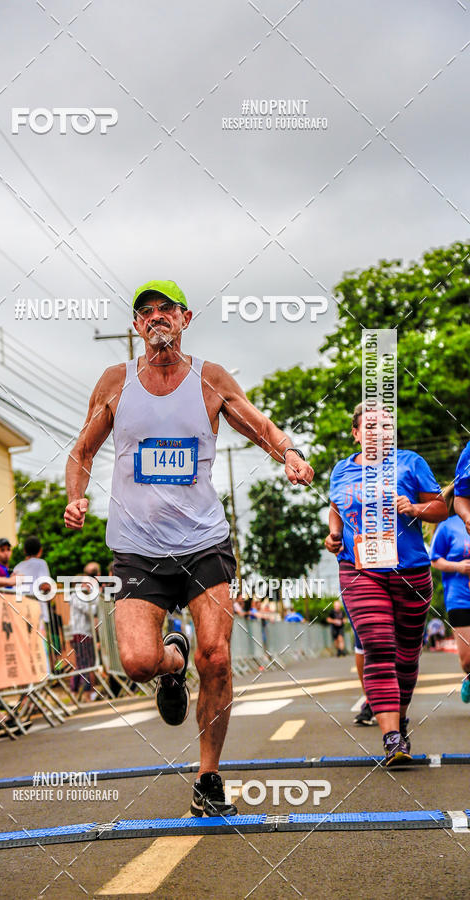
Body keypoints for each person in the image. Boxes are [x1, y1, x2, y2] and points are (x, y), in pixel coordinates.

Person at [64, 279, 314, 815]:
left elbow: (259, 424)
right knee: (136, 662)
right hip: (136, 547)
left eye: (165, 310)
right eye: (146, 312)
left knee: (218, 658)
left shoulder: (210, 378)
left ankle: (208, 777)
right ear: (136, 327)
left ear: (185, 318)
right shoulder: (115, 382)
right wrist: (76, 498)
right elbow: (81, 451)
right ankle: (171, 660)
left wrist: (288, 453)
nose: (156, 318)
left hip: (204, 543)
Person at [325, 402, 447, 766]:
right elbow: (336, 507)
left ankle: (401, 717)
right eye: (371, 427)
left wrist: (414, 508)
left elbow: (442, 507)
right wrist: (333, 535)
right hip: (359, 569)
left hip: (409, 570)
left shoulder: (411, 463)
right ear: (357, 433)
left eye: (385, 427)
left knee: (407, 655)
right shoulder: (342, 470)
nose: (379, 433)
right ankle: (392, 736)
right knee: (377, 644)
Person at [430, 484, 470, 701]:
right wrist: (458, 567)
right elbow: (435, 560)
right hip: (460, 598)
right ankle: (469, 677)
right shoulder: (448, 526)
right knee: (467, 661)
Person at [68, 562, 100, 701]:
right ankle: (81, 692)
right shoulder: (76, 596)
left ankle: (80, 691)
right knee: (84, 664)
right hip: (79, 632)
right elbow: (90, 611)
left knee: (86, 664)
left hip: (87, 632)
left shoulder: (86, 596)